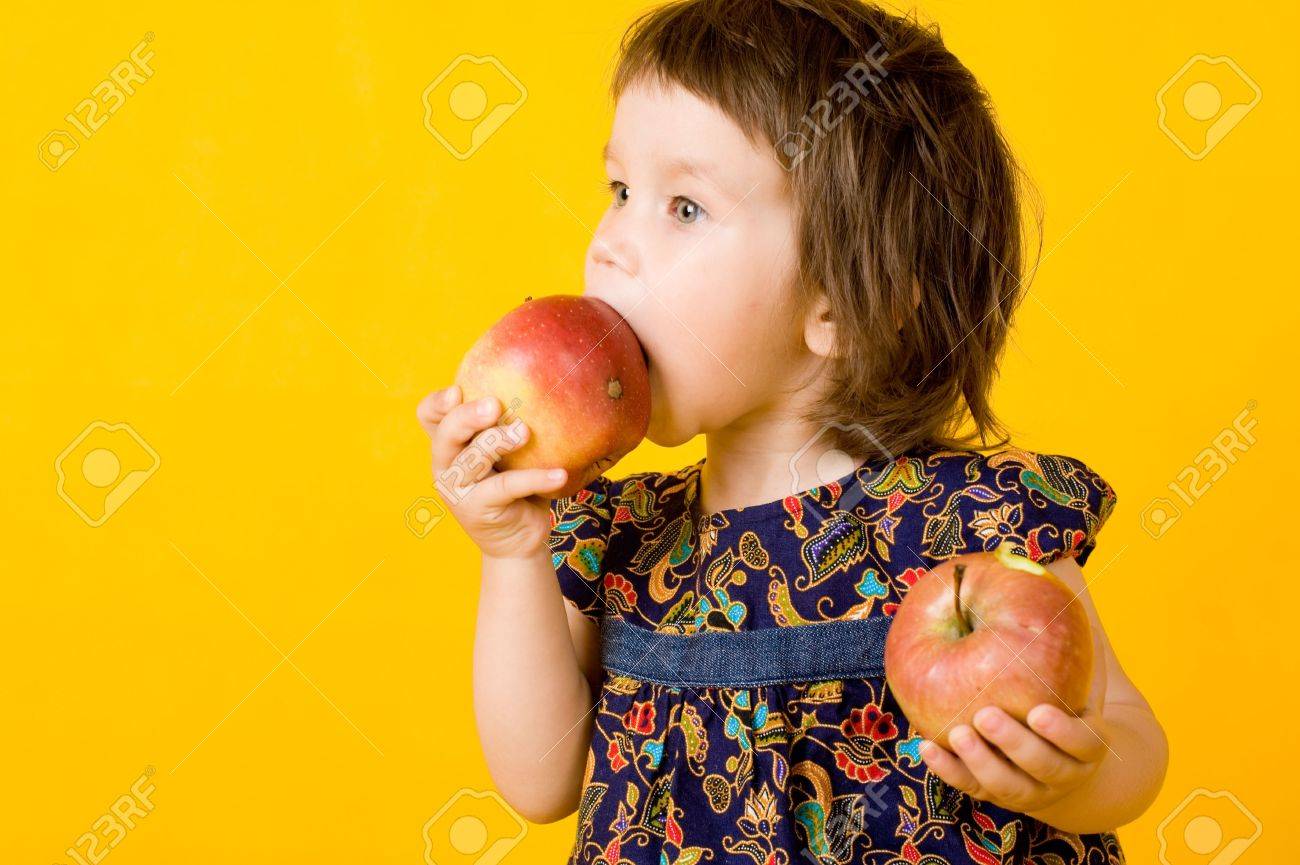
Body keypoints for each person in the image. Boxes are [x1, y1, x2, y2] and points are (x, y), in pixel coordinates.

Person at [417, 1, 1167, 861]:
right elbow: (537, 780)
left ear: (841, 305)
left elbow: (1131, 737)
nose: (611, 243)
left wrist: (1072, 777)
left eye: (685, 207)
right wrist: (512, 552)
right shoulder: (619, 539)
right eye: (621, 191)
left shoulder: (966, 525)